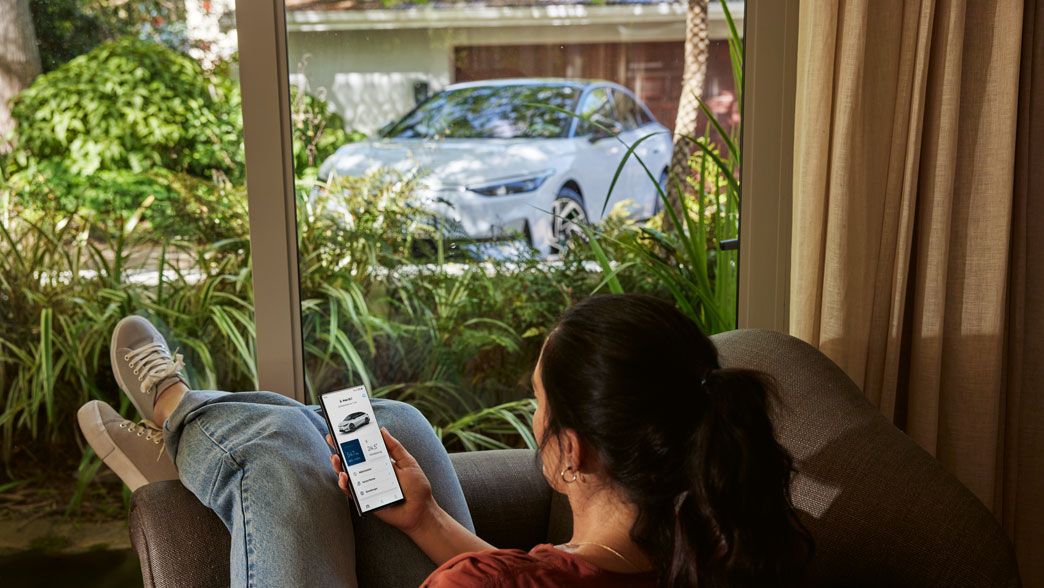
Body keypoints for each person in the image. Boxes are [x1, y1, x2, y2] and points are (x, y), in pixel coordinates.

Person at [78, 294, 813, 587]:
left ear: (572, 452)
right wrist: (425, 520)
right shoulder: (725, 551)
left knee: (274, 449)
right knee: (391, 424)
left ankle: (177, 407)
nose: (533, 418)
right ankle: (191, 416)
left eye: (537, 403)